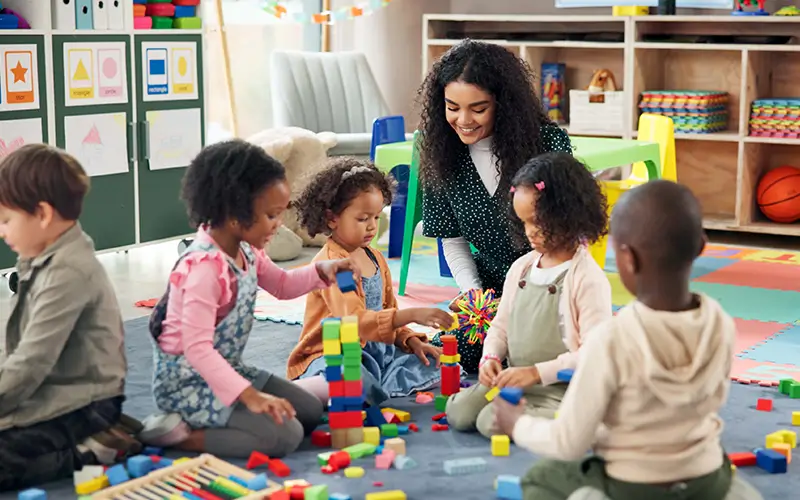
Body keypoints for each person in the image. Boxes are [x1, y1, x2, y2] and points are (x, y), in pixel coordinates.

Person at [493, 180, 763, 500]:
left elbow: (568, 442)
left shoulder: (610, 340)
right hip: (706, 479)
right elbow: (714, 399)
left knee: (540, 479)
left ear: (628, 259)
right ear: (700, 246)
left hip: (630, 486)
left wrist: (518, 424)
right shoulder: (719, 321)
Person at [137, 140, 356, 458]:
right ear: (234, 214)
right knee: (284, 436)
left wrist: (323, 271)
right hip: (188, 385)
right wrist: (250, 397)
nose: (278, 224)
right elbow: (197, 349)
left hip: (228, 369)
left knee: (307, 411)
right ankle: (179, 435)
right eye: (271, 215)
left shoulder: (246, 249)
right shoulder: (203, 269)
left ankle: (232, 420)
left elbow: (282, 285)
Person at [416, 39, 574, 373]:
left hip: (547, 284)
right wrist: (474, 297)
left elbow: (566, 237)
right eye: (452, 106)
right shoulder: (442, 152)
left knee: (539, 354)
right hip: (490, 286)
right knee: (451, 351)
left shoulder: (547, 143)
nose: (463, 120)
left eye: (478, 108)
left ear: (503, 104)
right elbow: (452, 238)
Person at [0, 145, 139, 491]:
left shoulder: (69, 272)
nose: (2, 231)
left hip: (87, 403)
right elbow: (17, 350)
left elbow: (31, 363)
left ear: (43, 214)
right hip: (53, 387)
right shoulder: (41, 257)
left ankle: (94, 450)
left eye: (6, 220)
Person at [445, 152, 611, 439]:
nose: (530, 233)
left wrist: (536, 373)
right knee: (460, 413)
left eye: (538, 222)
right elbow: (500, 326)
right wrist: (490, 359)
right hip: (515, 378)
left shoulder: (587, 278)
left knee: (490, 423)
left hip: (560, 387)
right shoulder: (521, 268)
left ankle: (582, 417)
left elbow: (592, 354)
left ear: (569, 215)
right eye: (524, 223)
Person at [287, 157, 457, 406]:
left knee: (435, 362)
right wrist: (414, 314)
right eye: (362, 218)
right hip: (335, 353)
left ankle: (368, 383)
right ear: (331, 218)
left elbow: (388, 312)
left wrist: (409, 340)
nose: (372, 227)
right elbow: (354, 322)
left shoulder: (375, 257)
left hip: (376, 351)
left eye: (376, 218)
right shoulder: (334, 266)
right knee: (350, 379)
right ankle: (305, 391)